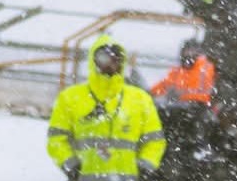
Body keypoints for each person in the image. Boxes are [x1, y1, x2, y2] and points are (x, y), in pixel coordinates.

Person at [48, 35, 167, 179]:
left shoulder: (140, 99)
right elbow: (56, 139)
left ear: (122, 62)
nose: (110, 63)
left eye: (115, 59)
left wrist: (146, 166)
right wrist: (71, 165)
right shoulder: (69, 98)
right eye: (104, 58)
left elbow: (155, 141)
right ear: (93, 61)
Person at [151, 40, 216, 106]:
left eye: (191, 51)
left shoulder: (206, 68)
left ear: (198, 53)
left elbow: (206, 94)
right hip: (178, 107)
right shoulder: (177, 71)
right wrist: (149, 93)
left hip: (199, 107)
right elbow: (163, 85)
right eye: (186, 51)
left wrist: (180, 96)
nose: (188, 54)